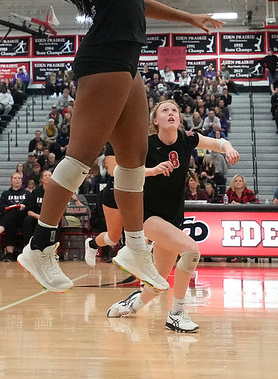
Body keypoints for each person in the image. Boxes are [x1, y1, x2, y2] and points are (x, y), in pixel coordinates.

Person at [2, 0, 221, 293]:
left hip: (125, 60)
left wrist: (189, 17)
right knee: (80, 158)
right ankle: (39, 245)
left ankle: (135, 247)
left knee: (134, 159)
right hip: (105, 59)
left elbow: (137, 1)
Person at [103, 100, 240, 332]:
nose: (171, 113)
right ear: (155, 121)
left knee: (158, 282)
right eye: (164, 110)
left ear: (179, 118)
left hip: (172, 217)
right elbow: (117, 171)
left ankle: (131, 305)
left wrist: (228, 149)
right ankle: (177, 313)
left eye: (174, 110)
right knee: (191, 250)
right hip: (146, 216)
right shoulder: (145, 145)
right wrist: (151, 171)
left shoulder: (187, 139)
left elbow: (218, 142)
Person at [0, 172, 30, 262]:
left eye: (19, 178)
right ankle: (9, 253)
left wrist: (24, 207)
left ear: (21, 180)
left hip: (23, 218)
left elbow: (30, 206)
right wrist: (9, 208)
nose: (17, 180)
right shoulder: (5, 194)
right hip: (10, 220)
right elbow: (1, 207)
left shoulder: (27, 193)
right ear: (11, 181)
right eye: (15, 178)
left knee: (15, 213)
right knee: (11, 222)